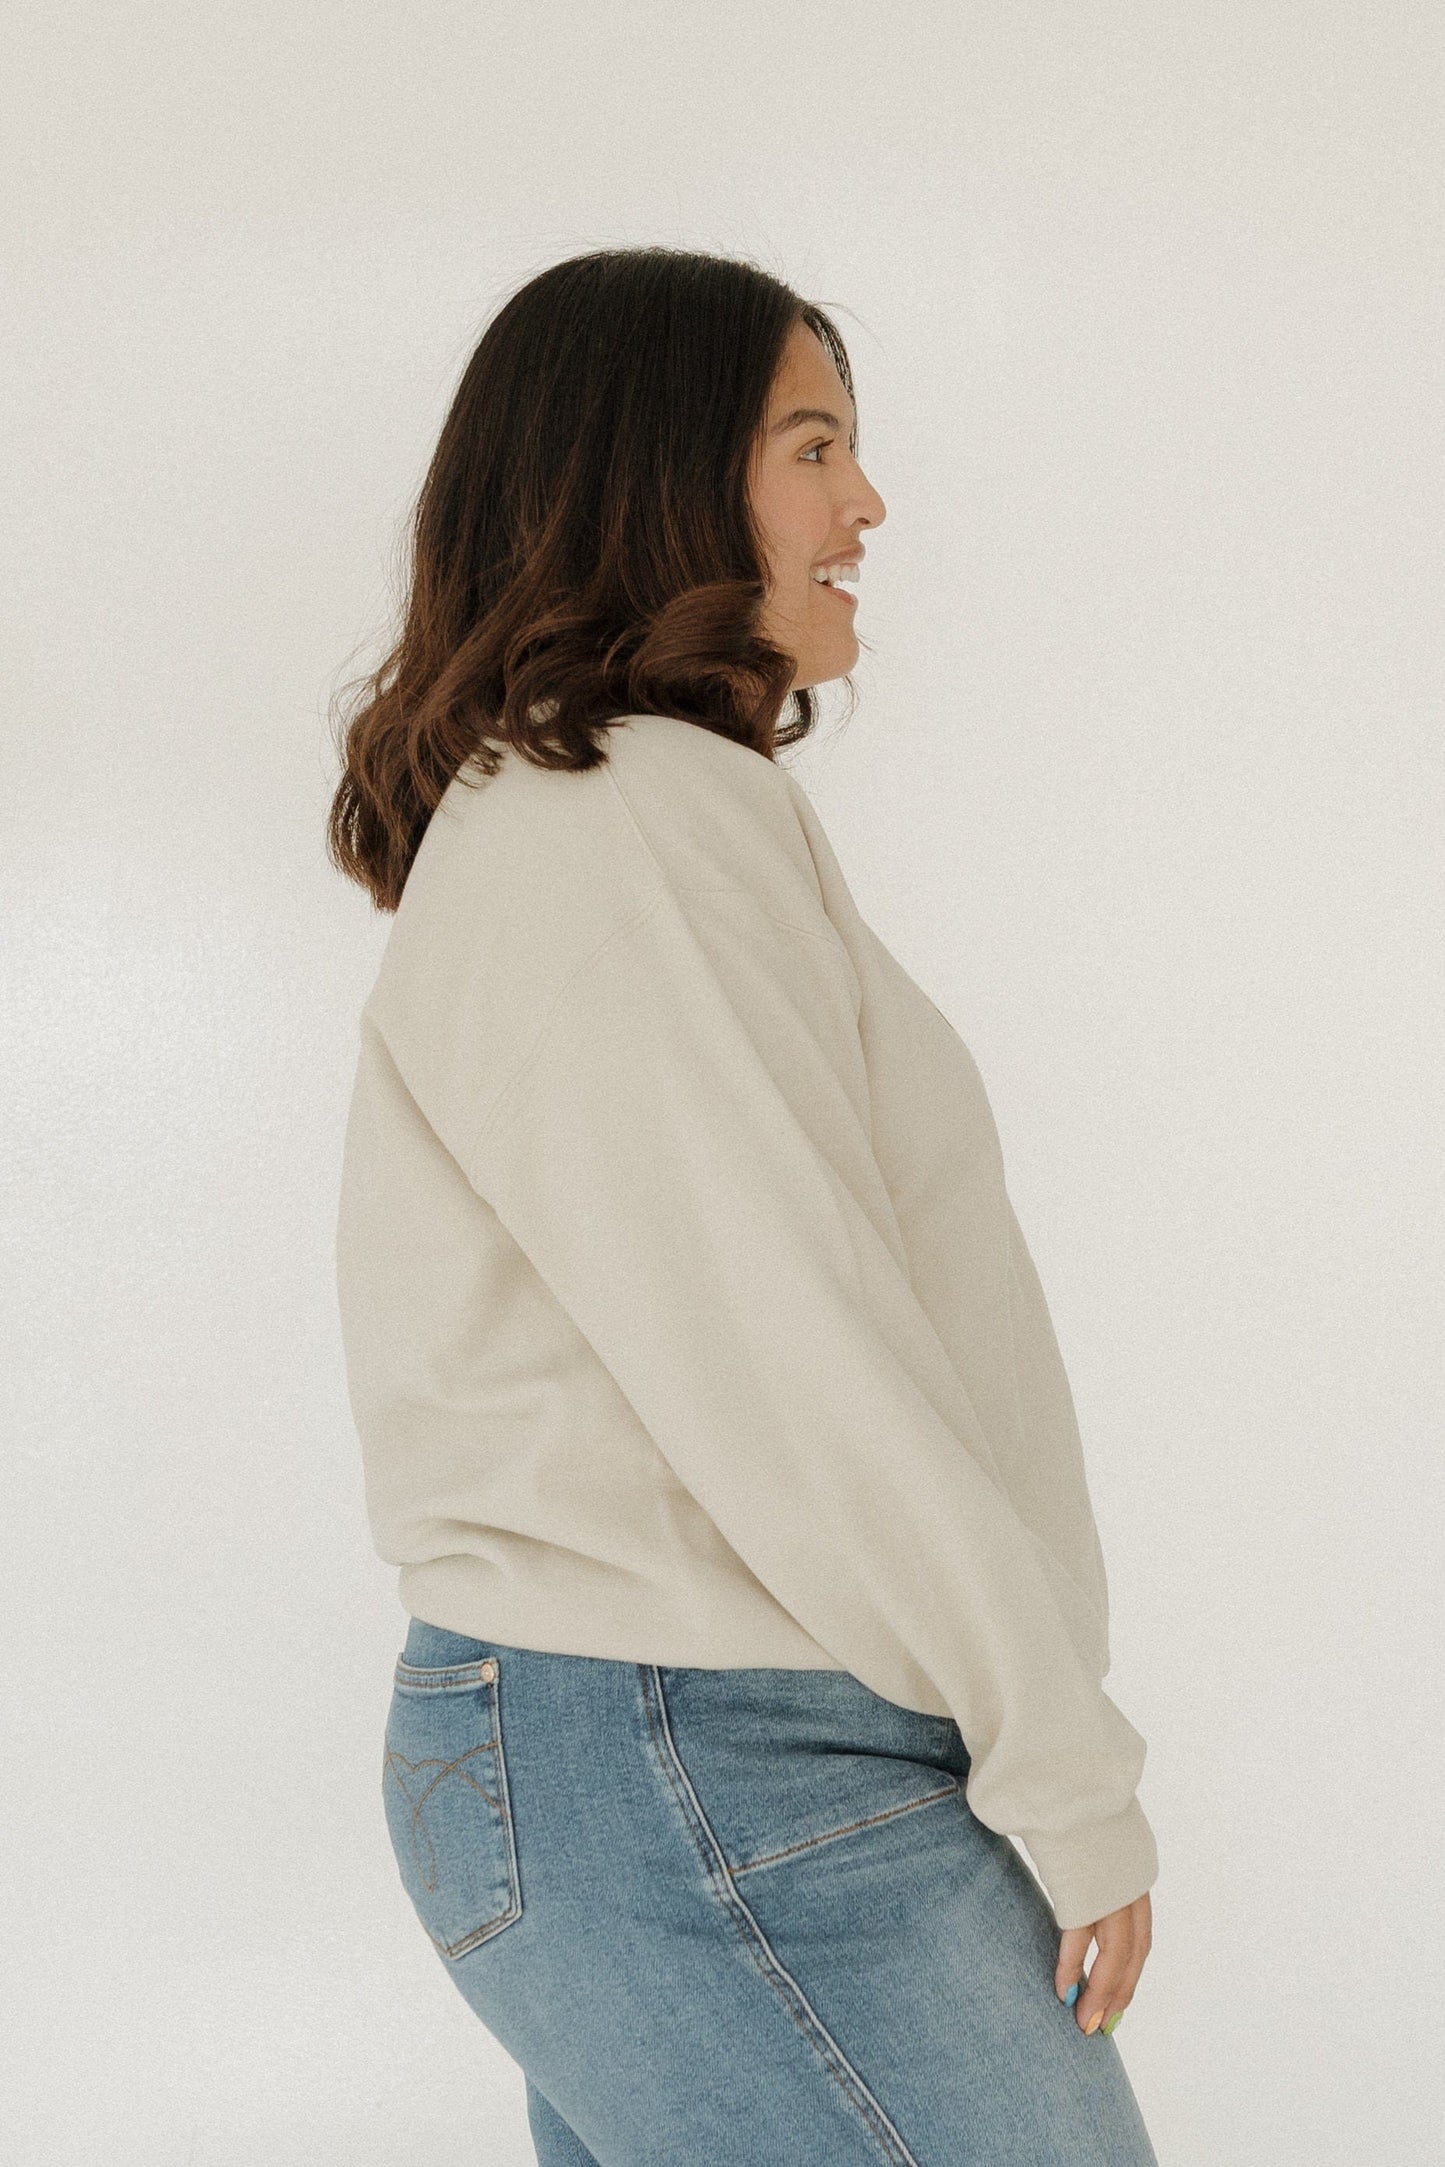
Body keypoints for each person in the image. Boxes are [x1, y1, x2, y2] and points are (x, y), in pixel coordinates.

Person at [327, 245, 1159, 2165]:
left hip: (663, 1747)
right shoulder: (618, 818)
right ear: (657, 475)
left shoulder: (610, 813)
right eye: (810, 447)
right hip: (702, 1751)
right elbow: (791, 1354)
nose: (865, 505)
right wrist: (1060, 1759)